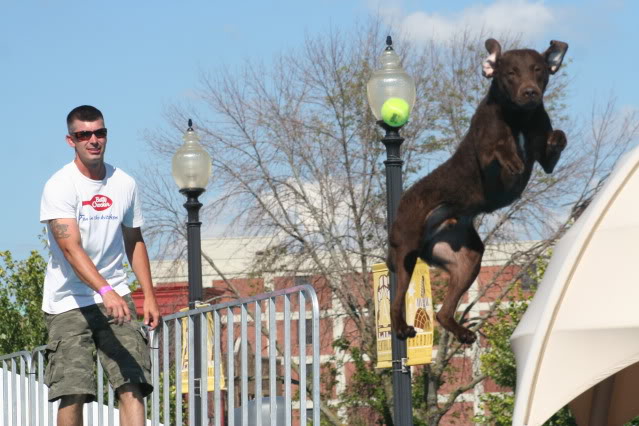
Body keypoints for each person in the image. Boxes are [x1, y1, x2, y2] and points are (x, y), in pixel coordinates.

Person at [40, 105, 161, 426]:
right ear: (71, 141)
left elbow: (134, 240)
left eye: (100, 132)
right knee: (74, 389)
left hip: (116, 298)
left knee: (132, 384)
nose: (93, 140)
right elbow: (70, 248)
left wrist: (148, 295)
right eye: (84, 135)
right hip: (69, 302)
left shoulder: (124, 183)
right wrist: (104, 289)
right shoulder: (60, 185)